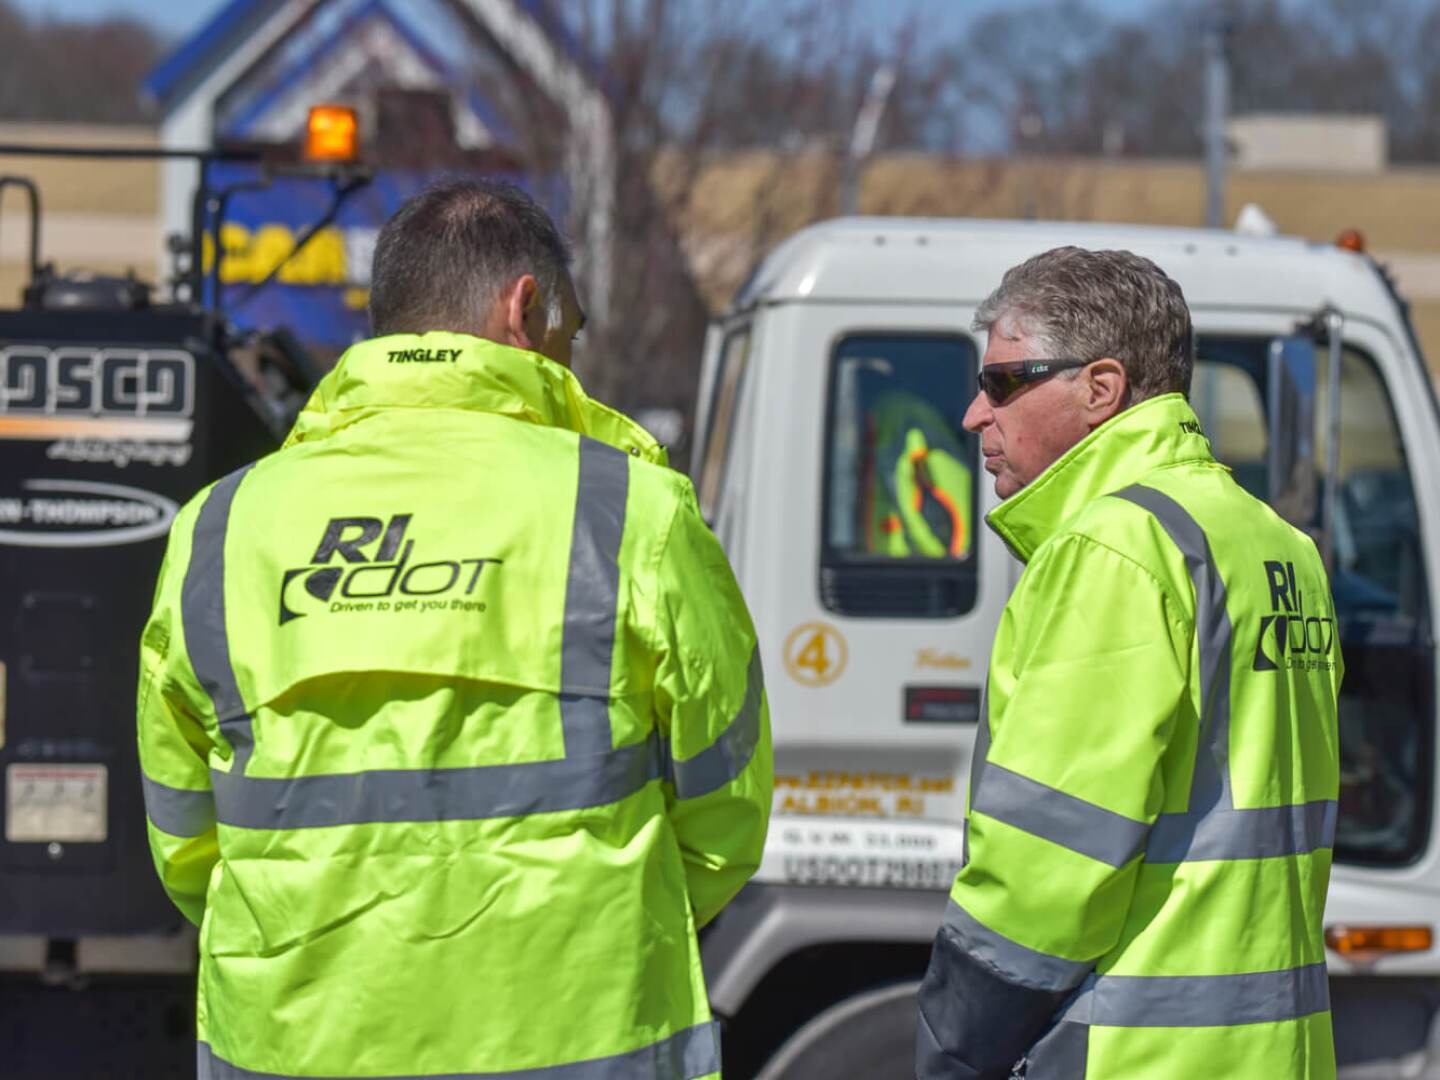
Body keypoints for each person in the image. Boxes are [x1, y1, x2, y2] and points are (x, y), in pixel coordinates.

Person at [136, 179, 771, 1080]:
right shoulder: (629, 511)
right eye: (570, 333)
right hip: (578, 1039)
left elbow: (184, 830)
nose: (572, 359)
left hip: (293, 1045)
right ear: (525, 309)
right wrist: (619, 924)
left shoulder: (223, 525)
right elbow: (725, 810)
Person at [915, 247, 1341, 1079]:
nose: (973, 413)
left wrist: (952, 1046)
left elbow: (1047, 871)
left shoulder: (1115, 545)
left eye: (1003, 382)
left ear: (1100, 390)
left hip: (1138, 1053)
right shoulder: (1277, 545)